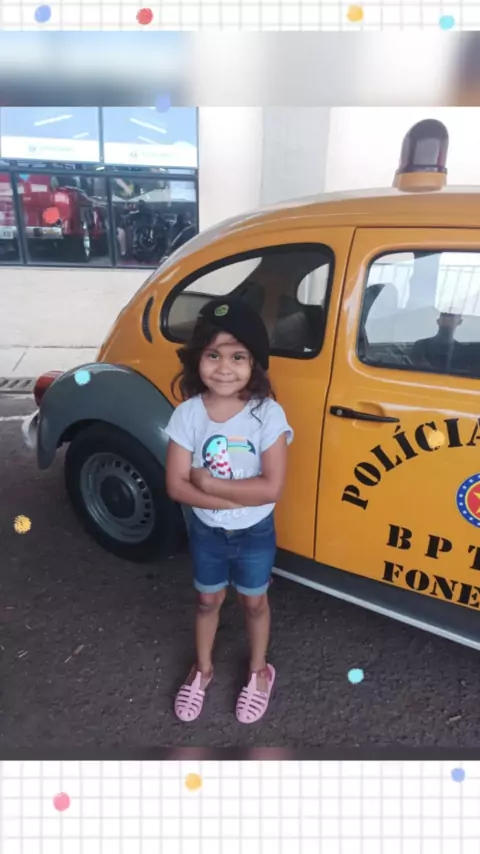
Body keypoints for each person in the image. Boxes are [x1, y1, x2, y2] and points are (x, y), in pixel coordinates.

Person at [164, 297, 293, 724]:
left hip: (255, 533)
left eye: (238, 357)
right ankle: (202, 669)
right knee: (207, 600)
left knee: (254, 602)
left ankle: (259, 671)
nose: (224, 368)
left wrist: (210, 484)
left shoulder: (267, 414)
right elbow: (175, 485)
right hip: (208, 532)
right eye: (213, 355)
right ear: (197, 359)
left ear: (254, 363)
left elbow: (271, 488)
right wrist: (237, 497)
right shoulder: (188, 413)